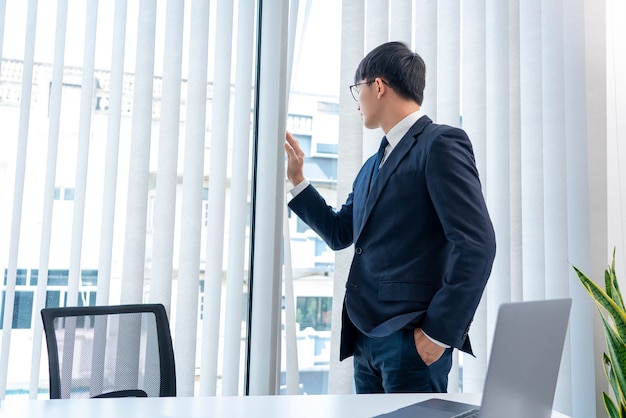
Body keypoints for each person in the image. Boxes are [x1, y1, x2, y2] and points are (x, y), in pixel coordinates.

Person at [284, 41, 496, 394]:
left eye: (358, 90)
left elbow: (477, 244)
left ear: (377, 86)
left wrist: (436, 335)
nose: (357, 104)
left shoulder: (440, 143)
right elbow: (341, 232)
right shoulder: (371, 166)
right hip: (364, 341)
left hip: (411, 343)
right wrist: (298, 181)